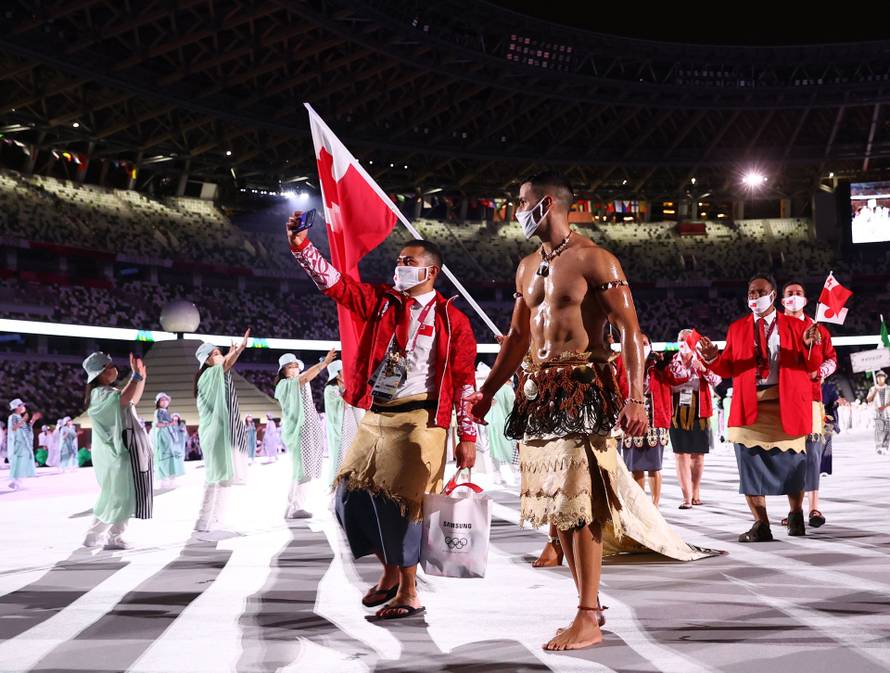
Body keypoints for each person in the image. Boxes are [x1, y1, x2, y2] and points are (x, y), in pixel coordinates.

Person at [468, 171, 715, 652]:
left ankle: (587, 614)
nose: (514, 211)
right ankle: (589, 607)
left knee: (580, 506)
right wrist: (486, 391)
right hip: (537, 394)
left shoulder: (595, 258)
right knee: (558, 511)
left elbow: (629, 330)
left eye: (520, 202)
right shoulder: (525, 267)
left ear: (547, 204)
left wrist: (637, 396)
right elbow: (518, 339)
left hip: (583, 388)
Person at [287, 212, 477, 621]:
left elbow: (464, 381)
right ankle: (390, 571)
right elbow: (335, 285)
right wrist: (302, 247)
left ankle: (410, 592)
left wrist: (468, 435)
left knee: (404, 507)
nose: (400, 267)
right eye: (399, 261)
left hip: (422, 421)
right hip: (376, 416)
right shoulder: (380, 302)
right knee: (348, 499)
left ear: (431, 271)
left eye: (409, 262)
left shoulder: (452, 320)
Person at [699, 274, 822, 542]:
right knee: (747, 461)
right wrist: (712, 358)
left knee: (793, 463)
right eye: (750, 293)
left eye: (760, 292)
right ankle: (761, 523)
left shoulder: (796, 326)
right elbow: (728, 367)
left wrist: (813, 345)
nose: (754, 297)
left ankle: (796, 514)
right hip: (748, 404)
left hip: (786, 403)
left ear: (773, 295)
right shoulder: (737, 328)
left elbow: (812, 366)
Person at [81, 352, 152, 549]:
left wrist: (140, 377)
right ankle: (114, 537)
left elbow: (131, 399)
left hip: (118, 451)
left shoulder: (106, 392)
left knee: (114, 495)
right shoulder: (101, 394)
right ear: (101, 373)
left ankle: (93, 536)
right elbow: (123, 399)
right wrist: (135, 377)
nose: (114, 369)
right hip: (117, 452)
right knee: (123, 495)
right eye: (109, 366)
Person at [781, 281, 837, 528]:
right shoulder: (776, 328)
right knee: (789, 456)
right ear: (782, 301)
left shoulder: (819, 330)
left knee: (812, 455)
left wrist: (821, 372)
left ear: (806, 300)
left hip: (813, 399)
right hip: (783, 398)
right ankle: (795, 510)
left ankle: (814, 507)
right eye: (789, 294)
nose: (794, 297)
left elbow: (832, 359)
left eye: (798, 293)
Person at [193, 331, 250, 535]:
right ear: (206, 360)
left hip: (219, 432)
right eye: (214, 353)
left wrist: (234, 353)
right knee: (218, 476)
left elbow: (225, 366)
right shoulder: (208, 375)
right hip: (215, 433)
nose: (219, 355)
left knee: (220, 477)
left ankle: (210, 519)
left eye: (219, 352)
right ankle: (208, 520)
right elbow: (226, 364)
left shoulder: (217, 375)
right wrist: (239, 350)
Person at [275, 349, 336, 519]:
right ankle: (296, 507)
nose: (294, 369)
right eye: (289, 367)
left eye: (295, 365)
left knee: (300, 470)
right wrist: (324, 364)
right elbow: (305, 377)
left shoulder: (299, 383)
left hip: (306, 430)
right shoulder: (284, 385)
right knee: (304, 470)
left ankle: (292, 506)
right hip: (299, 432)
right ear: (283, 371)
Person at [668, 329, 722, 509]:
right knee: (680, 455)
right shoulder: (671, 361)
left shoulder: (703, 357)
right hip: (677, 411)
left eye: (686, 339)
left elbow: (717, 380)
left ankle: (696, 490)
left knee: (697, 455)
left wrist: (704, 369)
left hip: (700, 408)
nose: (683, 342)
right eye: (680, 339)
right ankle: (686, 496)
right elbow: (666, 382)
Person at [620, 335, 671, 507]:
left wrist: (663, 366)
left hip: (655, 418)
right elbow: (618, 387)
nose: (641, 346)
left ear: (650, 345)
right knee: (636, 466)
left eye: (644, 343)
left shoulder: (658, 364)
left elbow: (676, 379)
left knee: (654, 465)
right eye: (637, 343)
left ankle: (655, 506)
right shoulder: (623, 363)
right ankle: (640, 506)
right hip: (632, 418)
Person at [7, 399, 40, 490]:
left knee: (22, 462)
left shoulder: (19, 417)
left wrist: (32, 420)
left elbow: (26, 430)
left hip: (23, 443)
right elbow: (14, 428)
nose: (23, 407)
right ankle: (15, 482)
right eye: (21, 405)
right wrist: (24, 420)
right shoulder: (13, 417)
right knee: (18, 462)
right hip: (18, 443)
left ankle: (17, 482)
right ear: (17, 407)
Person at [152, 393, 178, 489]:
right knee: (163, 455)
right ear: (158, 402)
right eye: (162, 400)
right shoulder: (158, 412)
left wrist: (172, 423)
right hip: (162, 435)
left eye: (166, 400)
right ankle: (164, 479)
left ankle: (170, 477)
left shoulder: (166, 412)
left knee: (169, 455)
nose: (164, 402)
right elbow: (158, 424)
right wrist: (169, 423)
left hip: (167, 435)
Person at [867, 370, 890, 455]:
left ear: (885, 378)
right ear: (876, 379)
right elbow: (869, 399)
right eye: (878, 377)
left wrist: (885, 406)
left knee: (888, 430)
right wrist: (875, 391)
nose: (880, 379)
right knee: (879, 430)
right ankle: (879, 447)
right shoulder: (872, 388)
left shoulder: (888, 388)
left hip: (888, 412)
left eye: (882, 377)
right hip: (878, 413)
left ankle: (885, 447)